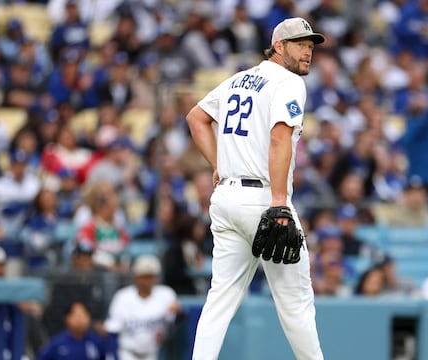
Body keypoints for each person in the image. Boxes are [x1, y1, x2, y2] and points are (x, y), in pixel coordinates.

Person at [185, 17, 325, 359]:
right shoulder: (288, 82)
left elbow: (196, 117)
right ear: (279, 46)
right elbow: (280, 139)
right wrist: (279, 203)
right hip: (263, 199)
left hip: (226, 199)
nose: (307, 53)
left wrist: (220, 165)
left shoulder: (238, 80)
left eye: (310, 46)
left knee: (219, 300)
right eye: (300, 45)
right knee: (296, 304)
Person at [104, 255, 181, 360]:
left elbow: (174, 326)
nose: (147, 280)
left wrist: (178, 314)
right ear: (136, 277)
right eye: (144, 276)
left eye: (150, 276)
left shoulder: (166, 294)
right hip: (127, 353)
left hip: (153, 353)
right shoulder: (122, 297)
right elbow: (112, 331)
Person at [36, 301, 108, 360]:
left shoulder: (96, 342)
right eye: (77, 315)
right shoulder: (57, 343)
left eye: (84, 315)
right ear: (67, 318)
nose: (80, 320)